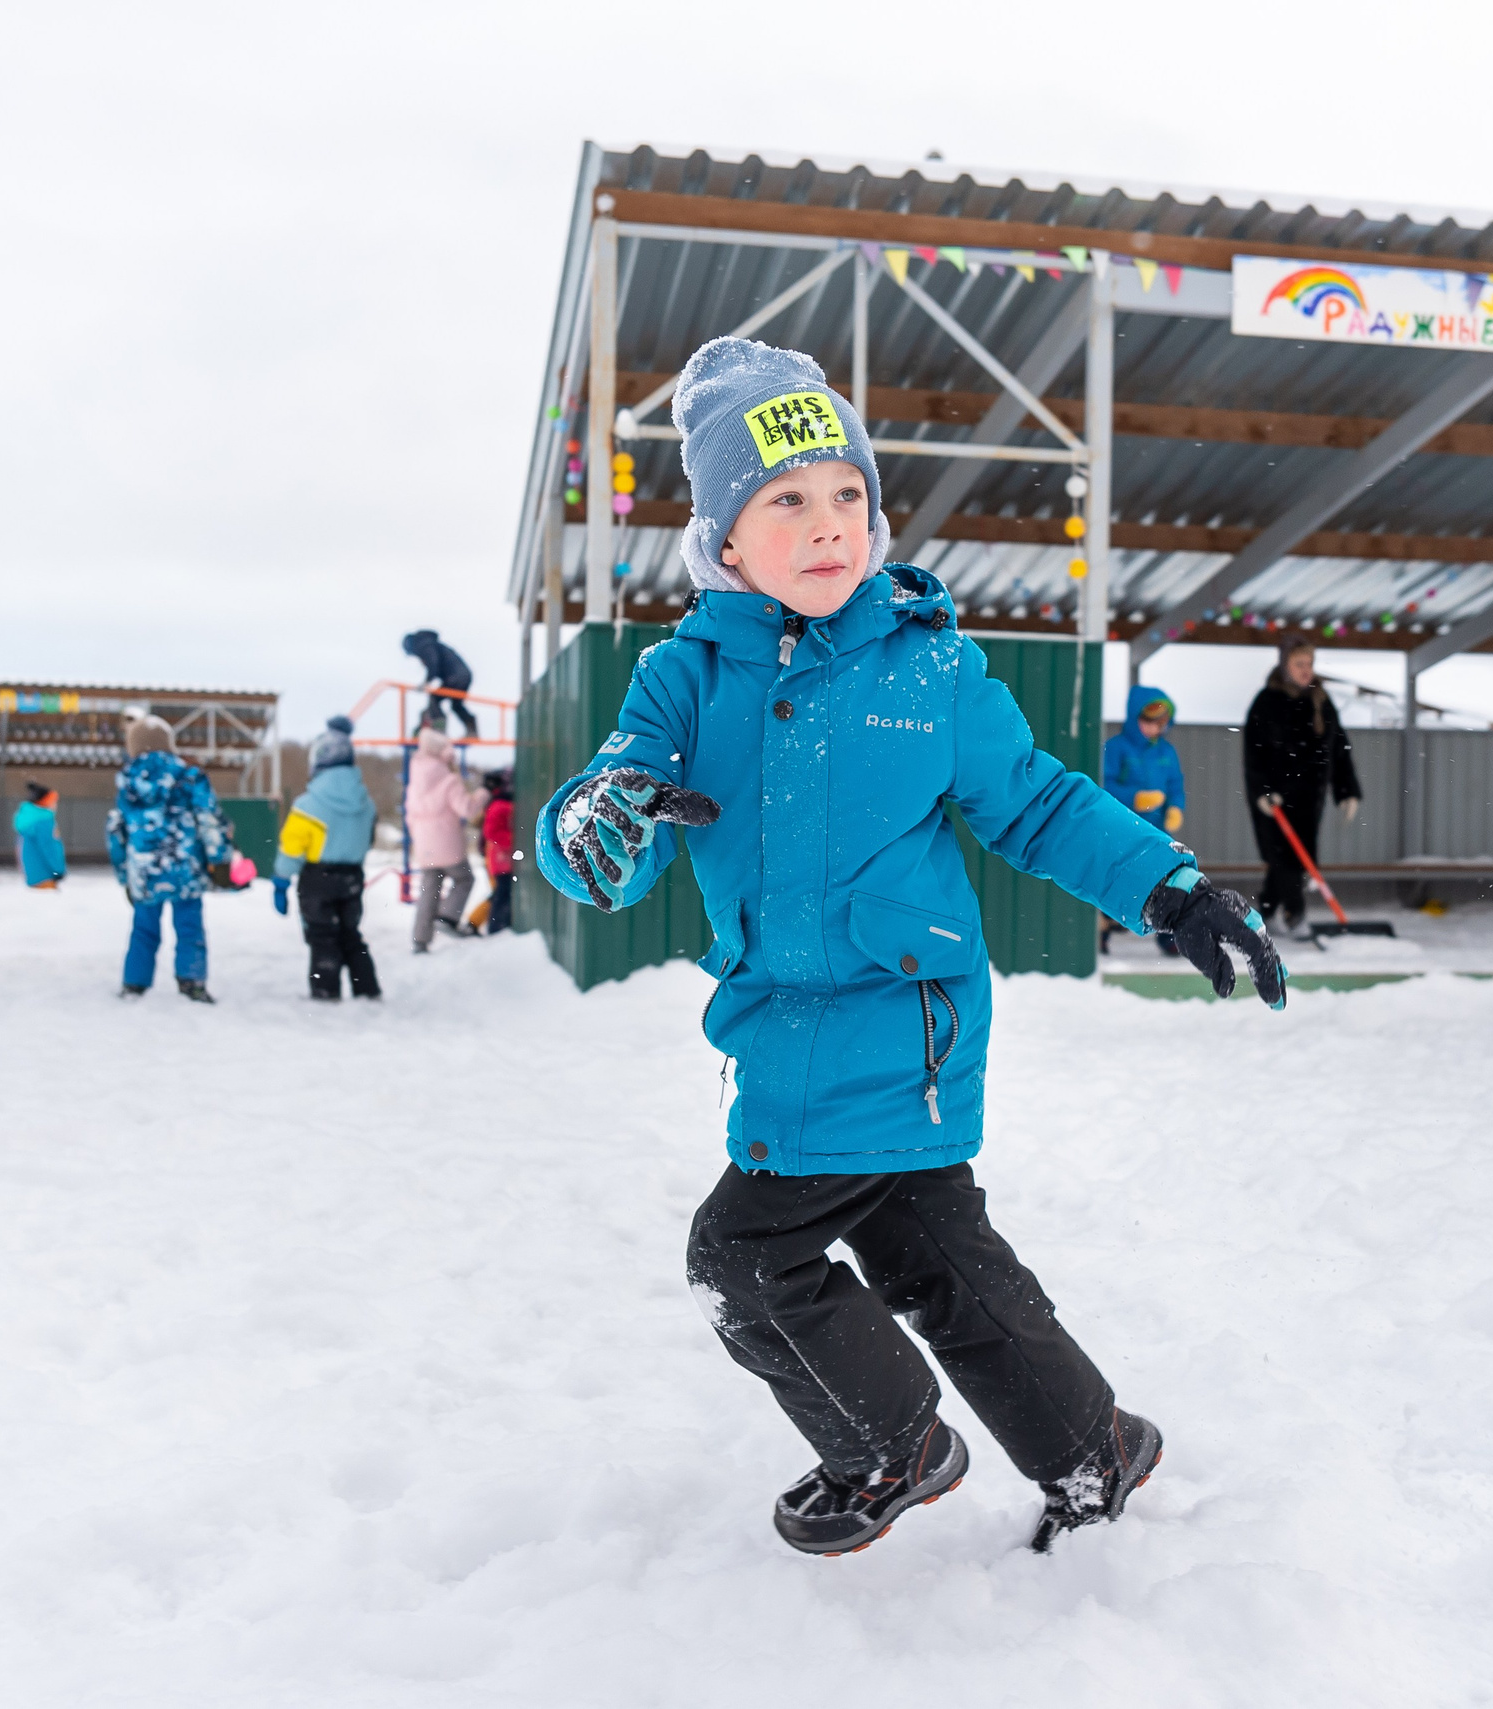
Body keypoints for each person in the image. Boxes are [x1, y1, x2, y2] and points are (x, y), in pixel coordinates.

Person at [537, 337, 1287, 1560]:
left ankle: (889, 1444)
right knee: (934, 1256)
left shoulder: (928, 664)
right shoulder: (682, 680)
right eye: (786, 500)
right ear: (725, 539)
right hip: (781, 1032)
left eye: (848, 495)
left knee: (741, 1254)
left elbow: (1037, 803)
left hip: (905, 1021)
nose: (828, 522)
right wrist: (591, 828)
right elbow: (611, 825)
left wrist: (1170, 890)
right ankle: (1091, 1447)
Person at [106, 715, 235, 1002]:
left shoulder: (127, 782)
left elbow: (116, 832)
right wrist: (220, 859)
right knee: (190, 927)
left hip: (144, 870)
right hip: (185, 868)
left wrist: (125, 875)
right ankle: (192, 982)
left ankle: (134, 984)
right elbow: (209, 821)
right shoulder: (190, 777)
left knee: (143, 929)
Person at [1241, 634, 1361, 932]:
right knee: (1285, 859)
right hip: (1274, 801)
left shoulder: (1320, 701)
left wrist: (1347, 792)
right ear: (1285, 665)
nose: (1306, 670)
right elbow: (1254, 753)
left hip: (1309, 799)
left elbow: (1339, 748)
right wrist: (1263, 791)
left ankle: (1265, 914)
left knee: (1298, 858)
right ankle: (1296, 917)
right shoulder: (1266, 702)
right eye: (1299, 664)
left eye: (1309, 663)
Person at [273, 715, 381, 1001]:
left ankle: (325, 992)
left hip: (317, 880)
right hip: (352, 877)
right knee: (350, 934)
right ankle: (367, 990)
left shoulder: (308, 805)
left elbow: (292, 848)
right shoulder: (366, 803)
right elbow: (369, 838)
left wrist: (282, 879)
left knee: (322, 936)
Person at [1101, 685, 1187, 955]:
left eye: (1161, 723)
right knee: (1115, 880)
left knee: (1164, 879)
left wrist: (1175, 809)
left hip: (1157, 832)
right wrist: (1135, 799)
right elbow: (1104, 785)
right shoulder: (1116, 749)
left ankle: (1166, 933)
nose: (1155, 729)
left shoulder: (1166, 752)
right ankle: (1104, 929)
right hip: (1123, 830)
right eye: (1149, 722)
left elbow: (1176, 785)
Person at [405, 720, 483, 952]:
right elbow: (467, 809)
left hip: (424, 845)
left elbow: (410, 815)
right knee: (465, 878)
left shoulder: (414, 782)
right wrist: (482, 795)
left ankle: (420, 940)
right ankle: (447, 917)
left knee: (429, 889)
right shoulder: (448, 780)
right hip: (447, 843)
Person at [401, 630, 479, 738]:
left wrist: (426, 682)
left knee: (434, 697)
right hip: (464, 676)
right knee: (456, 705)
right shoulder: (430, 643)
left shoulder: (424, 645)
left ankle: (438, 727)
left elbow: (433, 663)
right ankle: (472, 730)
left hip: (456, 677)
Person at [477, 769, 516, 933]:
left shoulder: (500, 804)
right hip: (501, 859)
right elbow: (491, 832)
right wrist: (514, 840)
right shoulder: (500, 805)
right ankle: (494, 926)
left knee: (501, 892)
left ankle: (494, 925)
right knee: (500, 893)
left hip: (502, 858)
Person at [12, 781, 66, 889]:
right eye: (53, 801)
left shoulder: (28, 821)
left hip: (33, 874)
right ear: (44, 802)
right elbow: (49, 847)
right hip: (45, 875)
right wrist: (58, 869)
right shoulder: (43, 822)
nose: (55, 805)